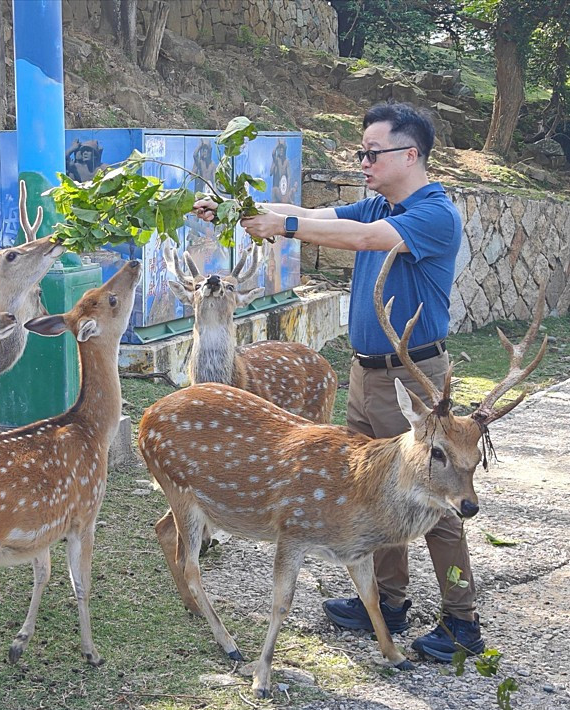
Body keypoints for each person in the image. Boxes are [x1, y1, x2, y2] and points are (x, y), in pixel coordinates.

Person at [192, 101, 483, 663]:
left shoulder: (433, 213)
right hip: (365, 374)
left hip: (415, 382)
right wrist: (237, 209)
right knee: (374, 491)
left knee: (438, 497)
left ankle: (461, 618)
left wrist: (287, 227)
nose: (364, 161)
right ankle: (391, 602)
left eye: (372, 153)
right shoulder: (381, 200)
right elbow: (309, 209)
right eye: (362, 152)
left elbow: (367, 238)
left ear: (411, 154)